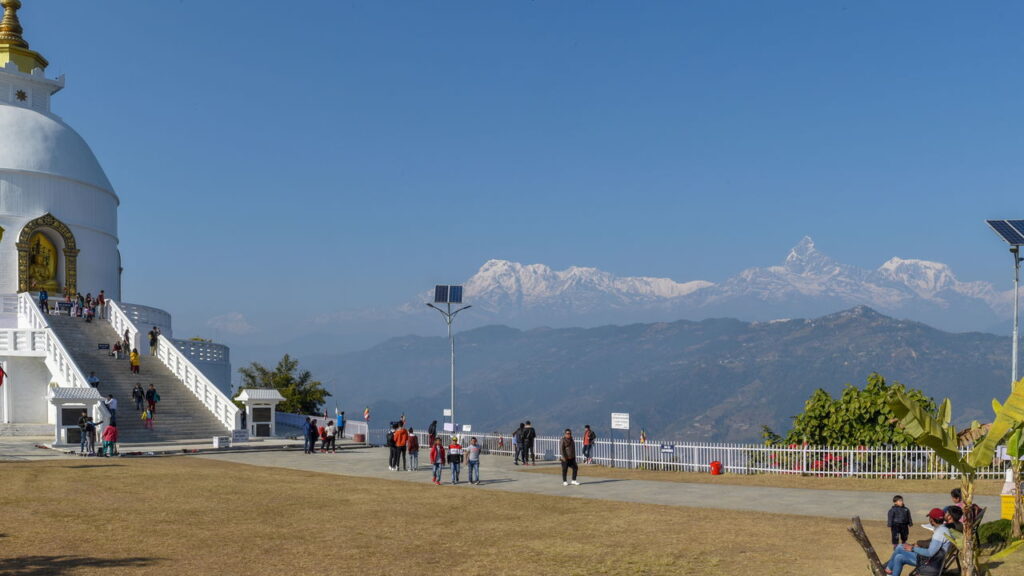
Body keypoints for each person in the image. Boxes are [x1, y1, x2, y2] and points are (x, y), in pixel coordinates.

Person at [883, 508, 951, 575]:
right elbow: (934, 547)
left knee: (900, 547)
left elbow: (930, 553)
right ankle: (889, 572)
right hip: (933, 560)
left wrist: (913, 548)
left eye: (929, 518)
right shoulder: (944, 529)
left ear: (932, 520)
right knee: (899, 557)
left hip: (929, 563)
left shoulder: (939, 533)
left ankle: (887, 569)